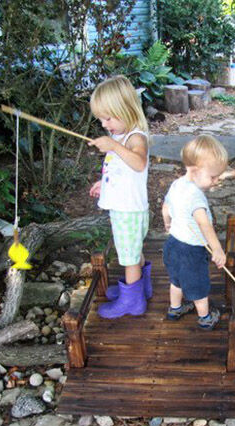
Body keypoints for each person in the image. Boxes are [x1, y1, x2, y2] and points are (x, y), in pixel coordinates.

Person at [88, 75, 152, 318]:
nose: (104, 124)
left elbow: (138, 163)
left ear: (125, 110)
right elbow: (121, 171)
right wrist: (103, 184)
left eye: (108, 117)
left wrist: (114, 146)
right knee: (133, 250)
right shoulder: (120, 137)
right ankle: (141, 288)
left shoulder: (135, 138)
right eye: (101, 119)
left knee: (128, 257)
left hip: (129, 211)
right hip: (126, 208)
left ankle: (133, 302)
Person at [162, 135, 228, 330]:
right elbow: (204, 225)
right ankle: (206, 317)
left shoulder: (176, 184)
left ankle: (175, 309)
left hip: (172, 245)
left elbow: (165, 207)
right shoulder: (196, 197)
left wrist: (167, 223)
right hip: (191, 252)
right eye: (213, 177)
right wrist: (217, 249)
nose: (216, 181)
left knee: (176, 281)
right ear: (195, 170)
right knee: (198, 287)